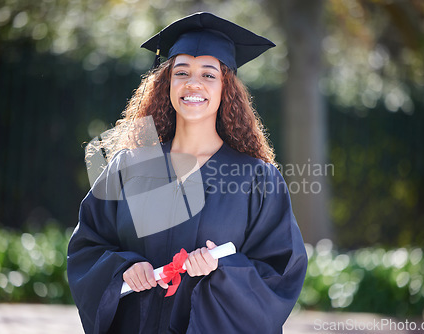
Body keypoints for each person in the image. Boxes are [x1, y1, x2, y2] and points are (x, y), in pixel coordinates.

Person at [68, 12, 307, 334]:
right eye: (182, 72)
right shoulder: (129, 167)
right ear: (167, 84)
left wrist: (221, 269)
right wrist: (123, 267)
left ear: (227, 89)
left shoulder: (257, 178)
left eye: (209, 75)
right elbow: (88, 245)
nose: (193, 83)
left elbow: (280, 271)